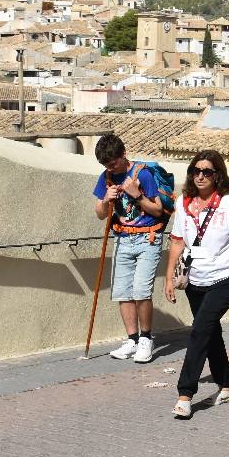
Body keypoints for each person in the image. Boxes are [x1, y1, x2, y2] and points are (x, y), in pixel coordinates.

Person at [164, 150, 229, 419]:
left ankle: (185, 393)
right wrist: (169, 276)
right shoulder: (184, 202)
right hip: (195, 279)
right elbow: (177, 240)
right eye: (196, 171)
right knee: (210, 332)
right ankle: (227, 385)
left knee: (199, 331)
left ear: (217, 176)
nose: (201, 176)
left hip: (225, 278)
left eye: (207, 172)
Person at [93, 133, 168, 364]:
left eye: (114, 163)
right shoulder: (106, 177)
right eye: (107, 165)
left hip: (148, 238)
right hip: (122, 239)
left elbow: (158, 210)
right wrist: (106, 199)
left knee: (141, 291)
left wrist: (137, 196)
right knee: (123, 292)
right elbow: (99, 214)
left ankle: (146, 339)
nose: (111, 168)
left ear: (123, 155)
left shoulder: (142, 174)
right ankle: (132, 339)